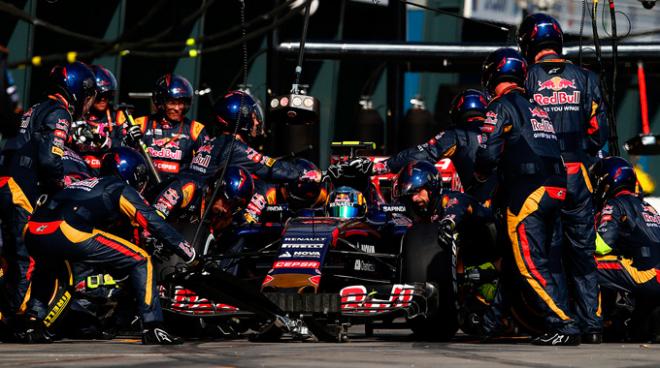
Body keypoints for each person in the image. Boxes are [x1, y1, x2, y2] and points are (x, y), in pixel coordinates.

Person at [19, 147, 196, 344]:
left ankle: (32, 322)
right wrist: (187, 251)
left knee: (47, 270)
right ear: (134, 173)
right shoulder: (118, 186)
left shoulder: (85, 182)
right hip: (67, 230)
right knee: (140, 259)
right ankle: (154, 326)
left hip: (33, 230)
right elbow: (152, 222)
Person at [474, 48, 581, 345]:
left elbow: (487, 152)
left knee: (529, 265)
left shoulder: (500, 105)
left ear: (492, 73)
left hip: (527, 194)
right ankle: (490, 324)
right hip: (556, 189)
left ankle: (564, 323)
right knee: (514, 262)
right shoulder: (537, 108)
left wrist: (480, 177)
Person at [519, 13, 607, 343]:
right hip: (578, 176)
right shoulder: (586, 78)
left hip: (543, 177)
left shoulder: (526, 79)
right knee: (584, 253)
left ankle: (562, 324)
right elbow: (600, 133)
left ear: (528, 43)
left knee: (550, 251)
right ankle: (594, 326)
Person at [0, 62, 97, 323]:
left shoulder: (35, 108)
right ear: (79, 91)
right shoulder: (60, 114)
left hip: (6, 181)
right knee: (26, 255)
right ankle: (21, 318)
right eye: (90, 96)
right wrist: (61, 186)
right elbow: (50, 159)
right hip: (21, 188)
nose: (89, 103)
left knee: (9, 253)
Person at [373, 89, 492, 202]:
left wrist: (384, 165)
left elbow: (423, 154)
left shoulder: (457, 133)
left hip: (480, 208)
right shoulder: (504, 128)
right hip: (507, 207)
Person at [589, 156, 660, 342]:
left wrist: (577, 238)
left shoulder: (615, 204)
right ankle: (621, 318)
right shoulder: (647, 206)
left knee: (587, 262)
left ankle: (591, 324)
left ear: (608, 180)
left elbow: (602, 246)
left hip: (648, 275)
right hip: (654, 272)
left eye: (597, 180)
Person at [188, 90, 321, 185]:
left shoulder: (213, 143)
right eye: (253, 117)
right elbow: (272, 169)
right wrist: (307, 173)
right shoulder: (236, 148)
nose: (257, 122)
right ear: (241, 120)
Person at [129, 74, 208, 179]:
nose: (177, 108)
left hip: (179, 190)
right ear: (160, 101)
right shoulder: (141, 123)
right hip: (144, 188)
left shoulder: (196, 129)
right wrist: (128, 141)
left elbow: (206, 169)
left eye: (181, 103)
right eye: (172, 103)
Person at [76, 65, 123, 174]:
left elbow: (126, 147)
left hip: (106, 173)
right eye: (99, 95)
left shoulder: (118, 116)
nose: (103, 99)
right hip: (80, 171)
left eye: (107, 94)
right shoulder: (75, 114)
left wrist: (106, 142)